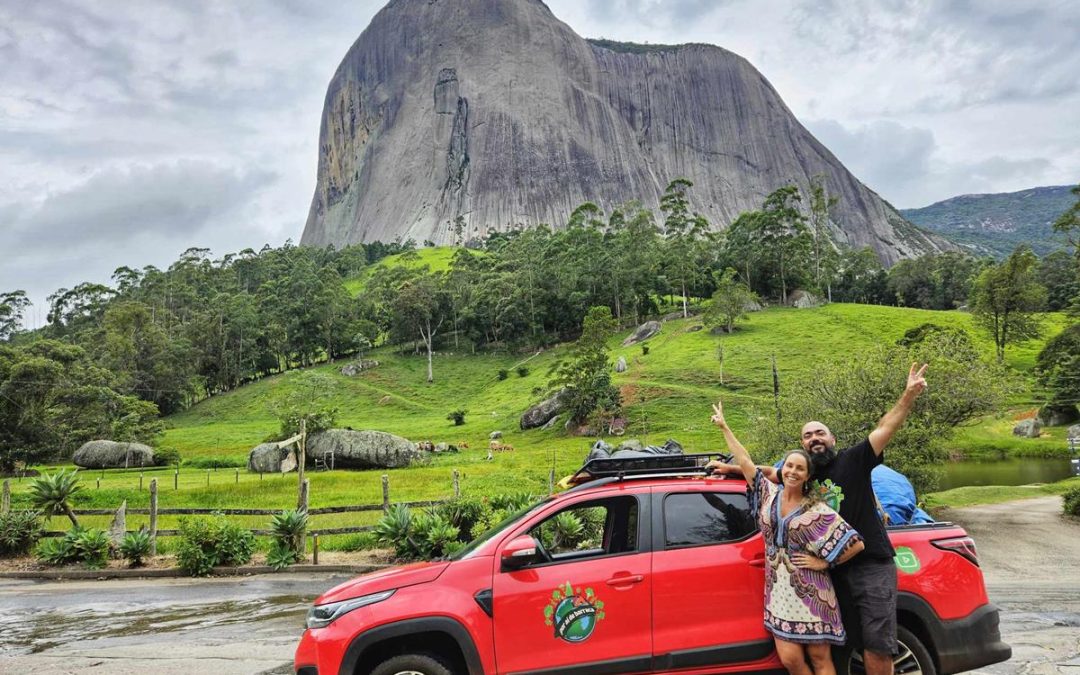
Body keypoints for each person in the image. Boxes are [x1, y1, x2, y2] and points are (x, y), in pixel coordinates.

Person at [709, 362, 929, 675]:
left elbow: (885, 429)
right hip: (830, 575)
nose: (814, 438)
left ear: (832, 439)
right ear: (803, 446)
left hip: (869, 565)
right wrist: (730, 469)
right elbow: (768, 472)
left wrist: (908, 395)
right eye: (808, 435)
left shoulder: (854, 460)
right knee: (842, 645)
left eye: (820, 433)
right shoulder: (804, 477)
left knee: (876, 644)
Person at [711, 400, 865, 675]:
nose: (793, 472)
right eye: (789, 466)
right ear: (783, 470)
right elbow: (745, 462)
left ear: (807, 476)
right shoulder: (769, 494)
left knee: (820, 659)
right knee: (791, 660)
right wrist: (724, 427)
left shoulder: (817, 510)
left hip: (813, 594)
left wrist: (824, 563)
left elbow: (856, 544)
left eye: (799, 469)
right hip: (779, 593)